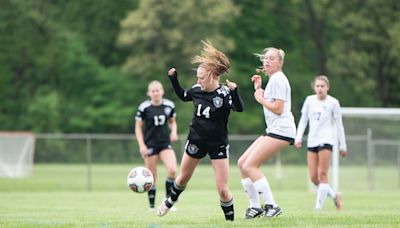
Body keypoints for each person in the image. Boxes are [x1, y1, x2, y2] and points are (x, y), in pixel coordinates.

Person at [157, 41, 244, 221]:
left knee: (223, 189)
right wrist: (173, 78)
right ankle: (169, 202)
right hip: (196, 140)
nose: (198, 81)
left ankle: (231, 222)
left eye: (201, 77)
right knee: (181, 179)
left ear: (212, 76)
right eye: (197, 77)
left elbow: (239, 108)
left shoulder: (225, 93)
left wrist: (235, 91)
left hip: (218, 144)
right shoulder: (197, 90)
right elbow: (182, 95)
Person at [238, 47, 296, 219]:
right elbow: (271, 103)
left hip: (282, 130)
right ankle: (255, 207)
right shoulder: (273, 80)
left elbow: (278, 109)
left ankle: (272, 205)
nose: (267, 61)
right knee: (242, 163)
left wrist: (261, 99)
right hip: (274, 129)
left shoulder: (278, 79)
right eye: (265, 58)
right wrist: (259, 88)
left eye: (271, 58)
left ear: (280, 62)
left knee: (250, 166)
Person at [294, 75, 347, 211]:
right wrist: (298, 137)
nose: (320, 89)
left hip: (326, 140)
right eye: (317, 86)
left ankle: (318, 208)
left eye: (322, 86)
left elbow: (339, 125)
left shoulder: (333, 102)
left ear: (327, 87)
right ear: (314, 87)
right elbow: (304, 120)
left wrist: (343, 145)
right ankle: (335, 196)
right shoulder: (309, 100)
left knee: (322, 174)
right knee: (313, 177)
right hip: (312, 140)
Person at [135, 80, 178, 211]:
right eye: (153, 91)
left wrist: (174, 132)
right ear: (149, 93)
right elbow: (137, 128)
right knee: (152, 176)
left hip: (165, 143)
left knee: (172, 170)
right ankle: (152, 206)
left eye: (158, 90)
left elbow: (172, 122)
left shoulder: (169, 105)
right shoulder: (144, 107)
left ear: (162, 91)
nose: (155, 93)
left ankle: (167, 201)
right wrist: (142, 145)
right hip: (150, 144)